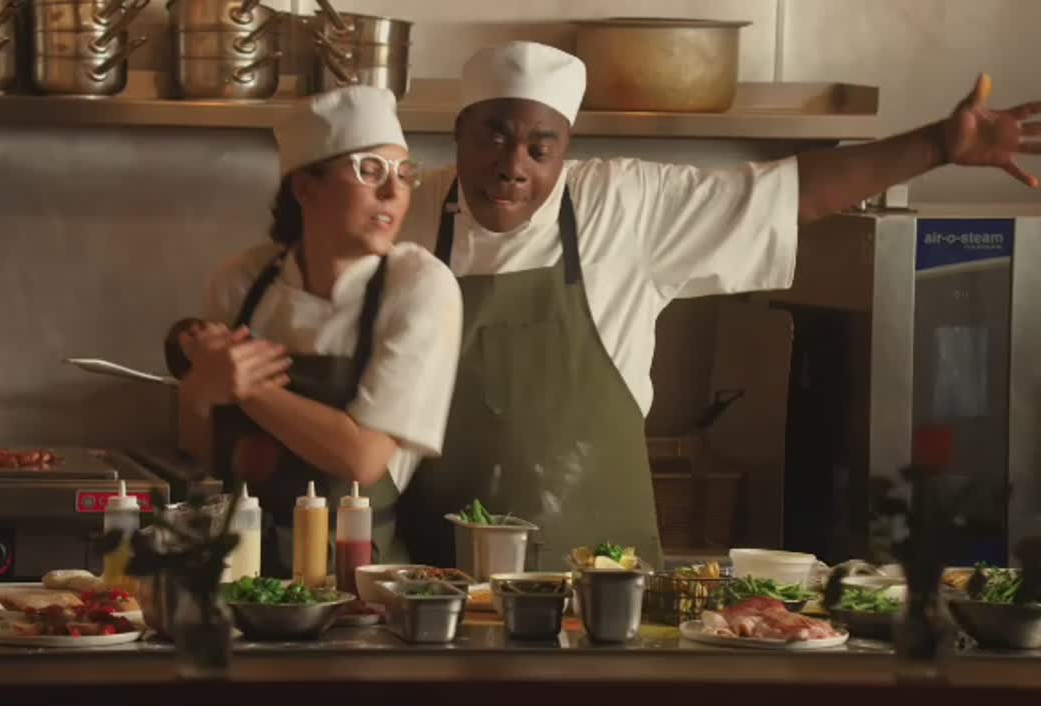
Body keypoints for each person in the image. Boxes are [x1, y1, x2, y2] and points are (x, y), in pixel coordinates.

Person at [395, 41, 1041, 572]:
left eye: (541, 149)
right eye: (493, 138)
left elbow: (789, 192)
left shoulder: (621, 205)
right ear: (459, 133)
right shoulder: (406, 211)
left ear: (565, 149)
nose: (513, 167)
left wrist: (938, 145)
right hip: (436, 577)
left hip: (598, 576)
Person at [164, 86, 463, 576]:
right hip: (238, 570)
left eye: (404, 174)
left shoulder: (419, 286)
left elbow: (361, 457)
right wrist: (199, 390)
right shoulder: (241, 281)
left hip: (355, 581)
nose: (393, 192)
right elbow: (202, 448)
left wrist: (247, 387)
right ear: (305, 189)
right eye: (370, 171)